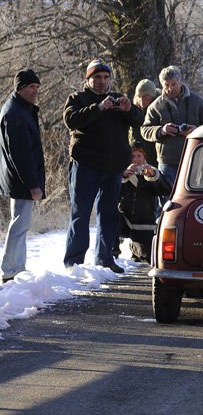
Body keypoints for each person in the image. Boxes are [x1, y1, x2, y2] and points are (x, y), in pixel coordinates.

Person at [63, 59, 144, 272]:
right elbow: (71, 120)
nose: (102, 82)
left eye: (105, 77)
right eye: (97, 77)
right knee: (80, 213)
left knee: (109, 213)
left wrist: (129, 110)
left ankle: (105, 259)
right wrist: (98, 108)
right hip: (86, 165)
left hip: (113, 167)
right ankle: (74, 263)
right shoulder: (78, 98)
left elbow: (139, 121)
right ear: (88, 79)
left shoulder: (118, 99)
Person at [0, 70, 46, 283]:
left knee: (21, 224)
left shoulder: (20, 109)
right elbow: (21, 154)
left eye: (37, 87)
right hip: (20, 180)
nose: (35, 91)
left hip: (18, 179)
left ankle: (17, 268)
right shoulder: (15, 113)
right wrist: (33, 185)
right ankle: (10, 271)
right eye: (31, 87)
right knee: (19, 224)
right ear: (20, 88)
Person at [141, 65, 203, 185]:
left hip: (194, 158)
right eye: (166, 85)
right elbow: (145, 130)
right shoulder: (156, 106)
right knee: (167, 197)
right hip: (167, 162)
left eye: (174, 84)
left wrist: (196, 130)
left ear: (180, 82)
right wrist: (161, 130)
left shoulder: (196, 102)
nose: (170, 88)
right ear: (161, 85)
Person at [116, 142, 172, 263]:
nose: (135, 160)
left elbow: (167, 189)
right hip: (124, 220)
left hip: (144, 224)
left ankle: (135, 247)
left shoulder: (151, 172)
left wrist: (154, 177)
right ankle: (113, 253)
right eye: (132, 157)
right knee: (110, 217)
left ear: (144, 157)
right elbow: (111, 194)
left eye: (139, 156)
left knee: (147, 255)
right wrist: (123, 177)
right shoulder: (119, 173)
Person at [130, 78, 159, 162]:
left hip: (156, 156)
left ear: (153, 96)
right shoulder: (134, 111)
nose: (141, 100)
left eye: (146, 96)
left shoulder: (159, 110)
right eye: (139, 96)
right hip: (139, 157)